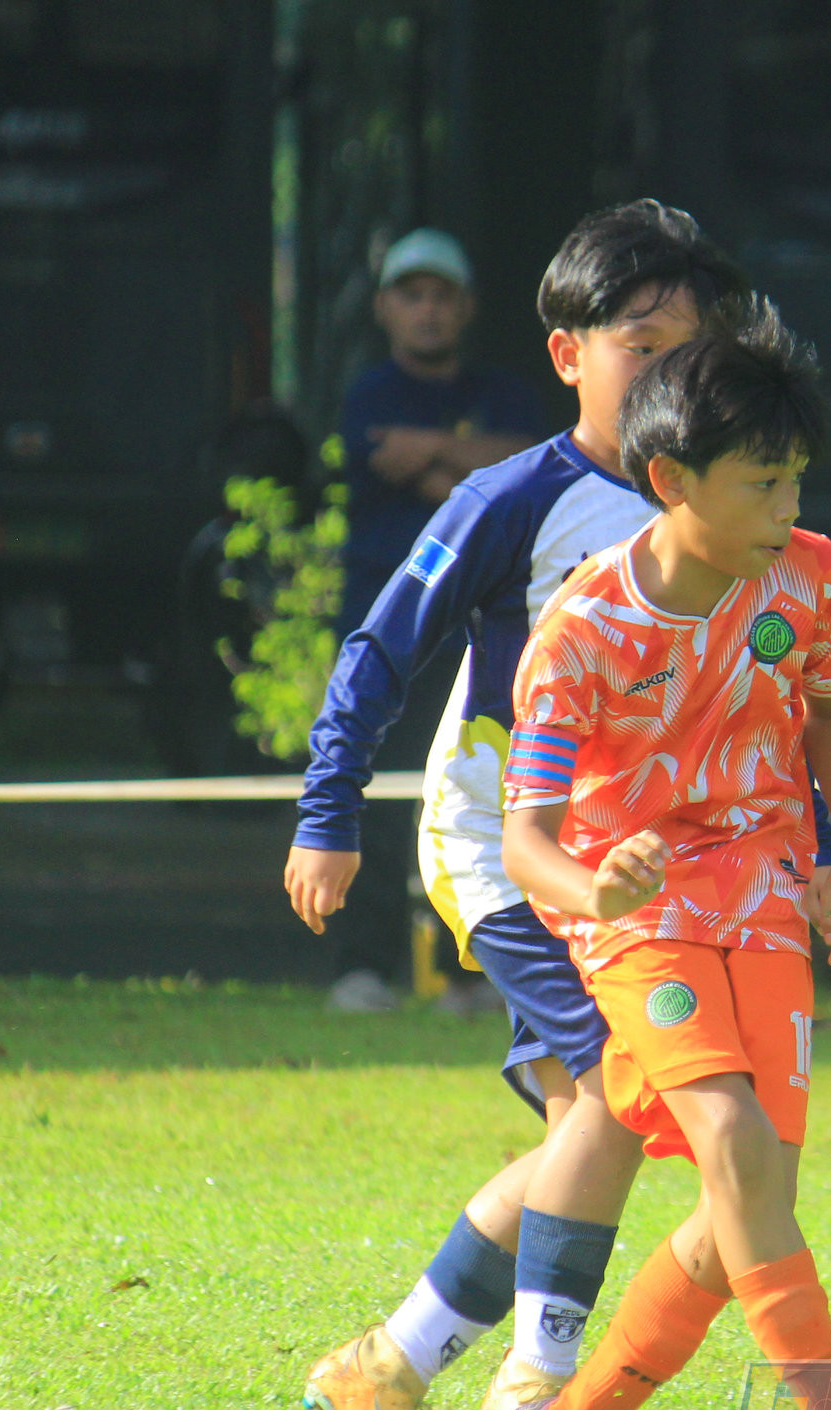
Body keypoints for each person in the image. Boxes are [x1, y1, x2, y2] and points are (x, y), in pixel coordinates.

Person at [469, 301, 831, 1410]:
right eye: (762, 481)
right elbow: (527, 837)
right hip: (635, 923)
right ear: (668, 479)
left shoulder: (810, 575)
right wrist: (600, 893)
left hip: (764, 897)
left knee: (735, 1213)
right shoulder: (582, 631)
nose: (788, 508)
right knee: (735, 1144)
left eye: (797, 477)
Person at [284, 202, 750, 1410]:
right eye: (639, 345)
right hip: (500, 837)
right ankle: (534, 1397)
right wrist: (329, 816)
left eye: (687, 349)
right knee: (608, 1085)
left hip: (620, 866)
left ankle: (391, 1361)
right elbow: (381, 647)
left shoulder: (720, 509)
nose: (668, 373)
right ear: (568, 357)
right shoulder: (516, 495)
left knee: (594, 1123)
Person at [328, 228, 547, 1014]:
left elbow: (522, 468)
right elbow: (480, 500)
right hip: (390, 638)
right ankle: (364, 970)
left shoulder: (510, 395)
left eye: (441, 296)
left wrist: (429, 449)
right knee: (378, 804)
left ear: (466, 309)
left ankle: (472, 976)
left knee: (480, 798)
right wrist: (473, 463)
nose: (426, 311)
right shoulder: (365, 396)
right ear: (386, 307)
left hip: (484, 642)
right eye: (411, 294)